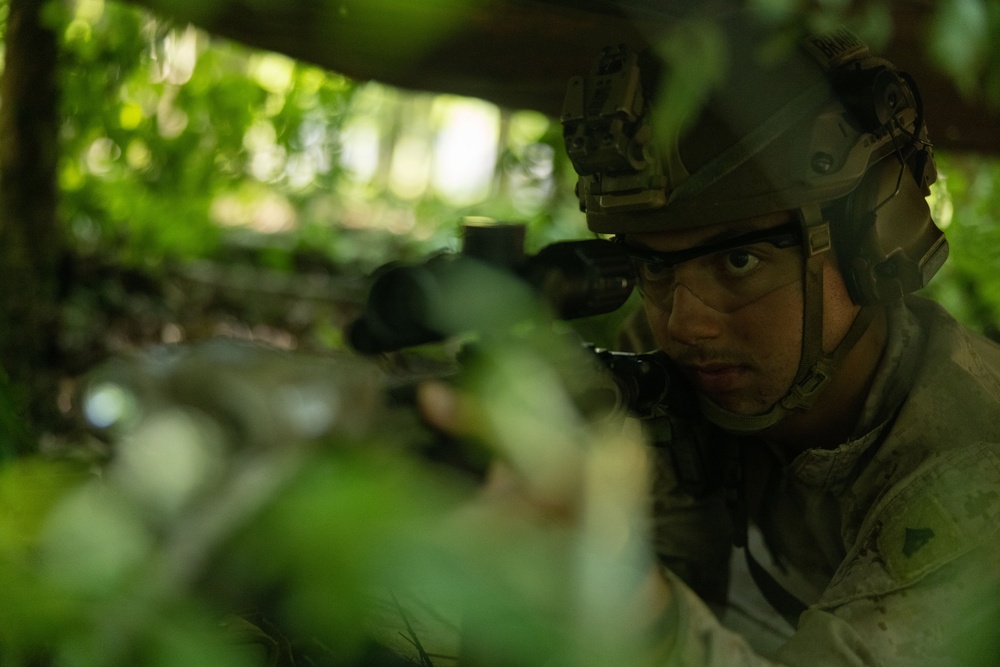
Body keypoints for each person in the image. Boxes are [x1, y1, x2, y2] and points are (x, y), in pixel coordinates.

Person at [547, 11, 1000, 667]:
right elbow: (675, 558)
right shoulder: (674, 345)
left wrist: (632, 602)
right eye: (653, 265)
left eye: (738, 262)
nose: (684, 324)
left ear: (871, 242)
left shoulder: (972, 471)